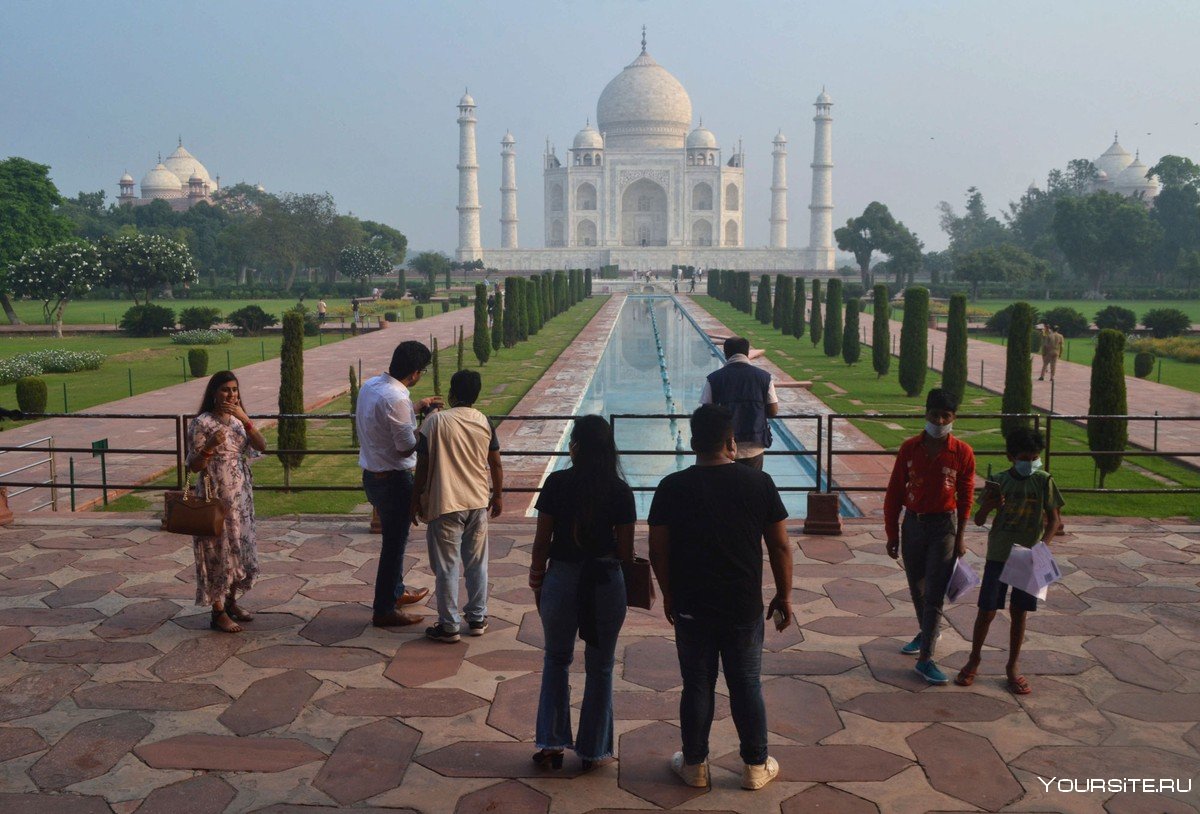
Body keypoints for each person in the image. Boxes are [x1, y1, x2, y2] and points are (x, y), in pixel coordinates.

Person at [648, 405, 792, 791]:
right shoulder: (758, 484)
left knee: (697, 683)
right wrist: (784, 595)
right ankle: (755, 766)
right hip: (742, 603)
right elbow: (779, 547)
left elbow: (657, 550)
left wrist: (668, 594)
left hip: (692, 602)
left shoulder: (672, 487)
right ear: (731, 443)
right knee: (746, 683)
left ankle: (695, 764)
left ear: (694, 443)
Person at [530, 416, 636, 771]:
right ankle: (593, 749)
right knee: (601, 666)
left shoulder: (558, 483)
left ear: (576, 446)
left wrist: (536, 581)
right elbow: (625, 552)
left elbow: (542, 541)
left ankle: (551, 743)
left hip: (562, 577)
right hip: (605, 580)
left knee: (556, 660)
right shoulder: (619, 490)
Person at [956, 427, 1063, 694]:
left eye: (1034, 456)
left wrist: (1042, 548)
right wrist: (990, 505)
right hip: (1000, 553)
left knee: (1019, 612)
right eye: (1025, 457)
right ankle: (974, 658)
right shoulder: (999, 481)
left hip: (1029, 556)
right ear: (1011, 456)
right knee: (987, 609)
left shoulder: (1043, 480)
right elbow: (979, 520)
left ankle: (1013, 665)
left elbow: (1055, 521)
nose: (1030, 462)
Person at [883, 387, 976, 685]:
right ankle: (926, 631)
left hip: (944, 528)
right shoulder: (910, 448)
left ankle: (926, 658)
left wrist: (960, 537)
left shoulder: (962, 452)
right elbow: (895, 492)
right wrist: (891, 532)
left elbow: (966, 498)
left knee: (935, 593)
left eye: (945, 415)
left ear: (954, 418)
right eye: (934, 414)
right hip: (913, 525)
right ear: (926, 414)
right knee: (917, 588)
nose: (939, 420)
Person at [411, 370, 504, 643]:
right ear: (476, 395)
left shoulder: (436, 422)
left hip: (446, 502)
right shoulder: (483, 421)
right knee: (477, 565)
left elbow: (423, 466)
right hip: (477, 502)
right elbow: (495, 463)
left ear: (452, 393)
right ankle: (477, 618)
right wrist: (497, 495)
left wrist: (415, 498)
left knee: (447, 567)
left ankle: (449, 625)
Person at [356, 341, 442, 627]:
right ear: (416, 373)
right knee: (394, 545)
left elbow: (384, 418)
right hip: (393, 480)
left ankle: (395, 592)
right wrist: (428, 420)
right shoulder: (397, 398)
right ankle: (384, 609)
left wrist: (417, 406)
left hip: (372, 474)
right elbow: (406, 446)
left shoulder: (371, 386)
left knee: (395, 541)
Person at [186, 371, 267, 633]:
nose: (231, 395)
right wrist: (209, 446)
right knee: (217, 550)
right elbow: (194, 465)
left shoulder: (238, 421)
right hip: (215, 495)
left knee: (239, 548)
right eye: (225, 390)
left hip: (240, 495)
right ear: (214, 393)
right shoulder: (202, 423)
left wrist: (246, 420)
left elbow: (262, 446)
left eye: (234, 390)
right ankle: (217, 611)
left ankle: (232, 601)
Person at [699, 337, 778, 470]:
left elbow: (706, 412)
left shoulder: (714, 378)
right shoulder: (764, 377)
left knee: (728, 488)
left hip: (724, 446)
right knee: (752, 486)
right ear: (747, 353)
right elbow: (773, 410)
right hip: (754, 444)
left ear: (726, 353)